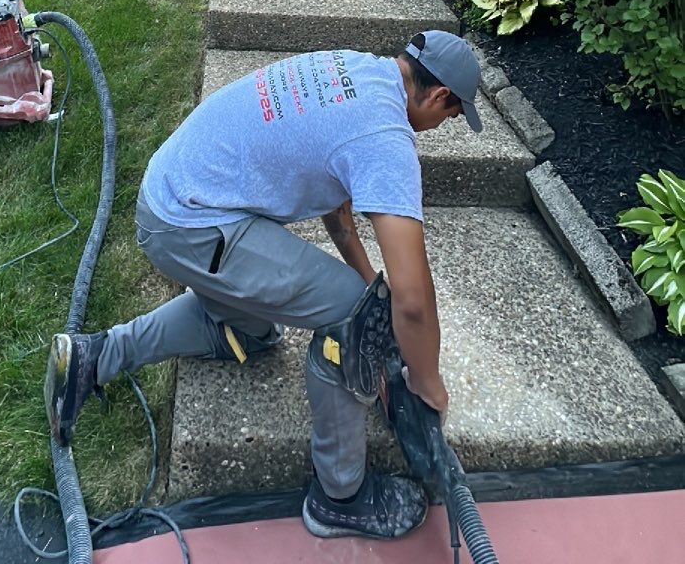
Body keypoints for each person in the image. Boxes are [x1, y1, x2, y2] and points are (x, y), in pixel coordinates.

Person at [44, 29, 483, 541]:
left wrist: (369, 284)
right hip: (192, 223)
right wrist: (427, 383)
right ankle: (340, 497)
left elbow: (338, 211)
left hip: (172, 197)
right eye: (450, 116)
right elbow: (413, 300)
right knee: (348, 316)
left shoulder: (358, 70)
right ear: (438, 96)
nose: (440, 125)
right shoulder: (384, 138)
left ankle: (92, 359)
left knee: (249, 333)